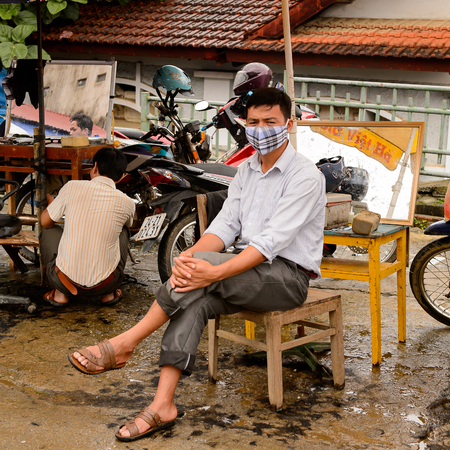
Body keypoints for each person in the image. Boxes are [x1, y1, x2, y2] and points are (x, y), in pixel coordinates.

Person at [68, 88, 327, 442]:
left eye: (271, 122)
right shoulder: (248, 171)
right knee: (194, 299)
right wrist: (190, 259)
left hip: (286, 278)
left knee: (200, 271)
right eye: (254, 122)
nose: (261, 128)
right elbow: (224, 228)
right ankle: (163, 405)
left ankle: (126, 342)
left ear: (289, 124)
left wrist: (214, 269)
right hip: (243, 271)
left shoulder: (305, 176)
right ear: (244, 124)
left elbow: (270, 243)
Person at [39, 147, 135, 307]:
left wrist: (52, 205)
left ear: (95, 167)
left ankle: (60, 294)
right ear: (121, 177)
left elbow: (45, 222)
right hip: (107, 283)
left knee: (49, 232)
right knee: (123, 231)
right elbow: (127, 225)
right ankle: (108, 294)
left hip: (62, 281)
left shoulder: (72, 187)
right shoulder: (128, 203)